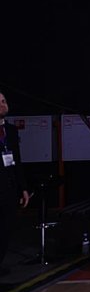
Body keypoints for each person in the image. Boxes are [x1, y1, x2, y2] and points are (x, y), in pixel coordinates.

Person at [0, 92, 30, 274]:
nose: (2, 105)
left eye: (4, 101)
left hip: (9, 190)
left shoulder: (10, 130)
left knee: (6, 230)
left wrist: (23, 188)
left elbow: (17, 161)